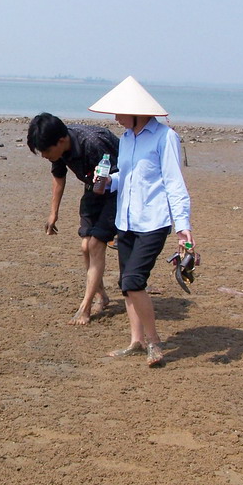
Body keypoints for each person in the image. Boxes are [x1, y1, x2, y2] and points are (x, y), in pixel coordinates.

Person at [89, 76, 195, 367]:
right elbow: (129, 175)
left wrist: (183, 228)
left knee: (135, 280)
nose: (115, 117)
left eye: (119, 111)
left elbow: (174, 183)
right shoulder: (125, 138)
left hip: (154, 221)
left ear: (137, 111)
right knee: (126, 284)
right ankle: (136, 341)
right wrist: (108, 182)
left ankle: (154, 342)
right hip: (126, 221)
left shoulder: (165, 137)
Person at [27, 112, 119, 326]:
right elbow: (58, 178)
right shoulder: (58, 149)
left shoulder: (93, 143)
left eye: (46, 151)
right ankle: (101, 296)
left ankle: (85, 308)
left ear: (61, 141)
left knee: (96, 244)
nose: (44, 155)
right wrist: (53, 213)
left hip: (116, 191)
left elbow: (118, 178)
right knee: (85, 246)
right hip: (92, 188)